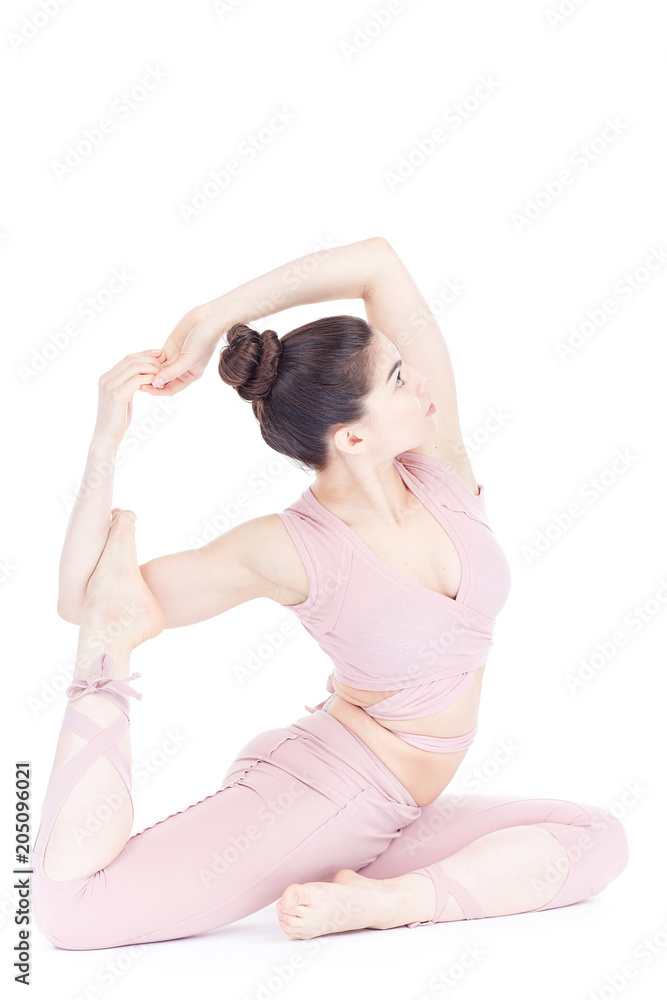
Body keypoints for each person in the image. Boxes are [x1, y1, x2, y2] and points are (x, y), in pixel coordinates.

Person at [32, 237, 629, 950]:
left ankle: (385, 899)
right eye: (401, 379)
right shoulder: (288, 548)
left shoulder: (435, 464)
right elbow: (81, 600)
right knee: (75, 912)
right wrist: (106, 444)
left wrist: (216, 315)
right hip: (330, 790)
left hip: (397, 809)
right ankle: (368, 892)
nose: (426, 385)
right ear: (350, 439)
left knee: (595, 838)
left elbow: (378, 263)